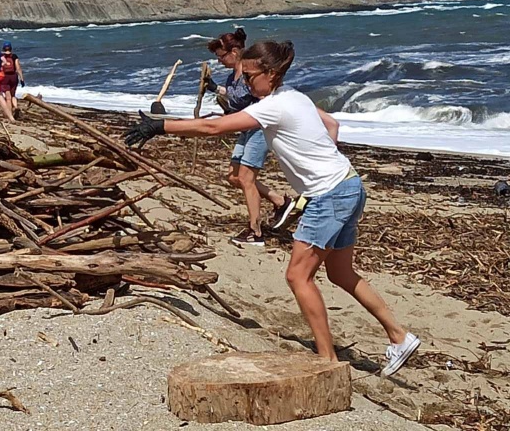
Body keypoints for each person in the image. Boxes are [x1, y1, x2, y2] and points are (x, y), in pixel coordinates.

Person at [124, 40, 420, 376]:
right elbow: (331, 125)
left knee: (297, 276)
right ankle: (399, 336)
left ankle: (327, 361)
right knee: (340, 273)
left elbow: (212, 127)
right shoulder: (295, 97)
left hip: (330, 196)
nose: (247, 82)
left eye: (251, 76)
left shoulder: (274, 106)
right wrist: (320, 159)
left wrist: (158, 126)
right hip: (350, 184)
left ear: (272, 73)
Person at [204, 26, 295, 246]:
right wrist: (215, 88)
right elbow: (234, 97)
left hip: (259, 128)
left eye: (221, 56)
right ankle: (280, 201)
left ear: (234, 52)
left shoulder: (250, 75)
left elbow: (252, 98)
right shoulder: (232, 78)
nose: (220, 61)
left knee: (246, 178)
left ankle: (256, 232)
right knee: (234, 176)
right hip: (246, 129)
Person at [0, 41, 25, 116]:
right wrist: (22, 79)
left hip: (5, 77)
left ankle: (9, 114)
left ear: (3, 48)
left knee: (8, 97)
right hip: (14, 76)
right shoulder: (14, 56)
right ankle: (16, 107)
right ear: (11, 48)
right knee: (13, 95)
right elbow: (18, 67)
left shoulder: (1, 56)